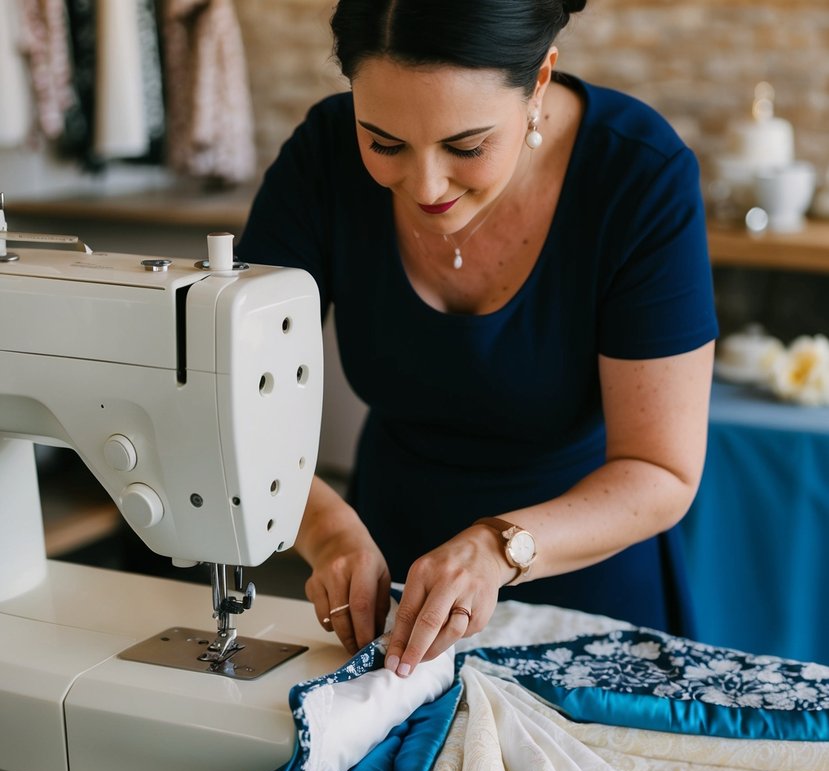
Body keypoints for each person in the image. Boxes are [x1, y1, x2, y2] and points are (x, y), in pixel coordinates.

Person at [236, 0, 718, 679]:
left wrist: (501, 548)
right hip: (388, 549)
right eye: (383, 142)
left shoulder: (637, 176)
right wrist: (326, 532)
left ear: (540, 80)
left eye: (465, 147)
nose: (424, 186)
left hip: (584, 570)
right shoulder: (321, 157)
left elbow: (661, 470)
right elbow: (230, 396)